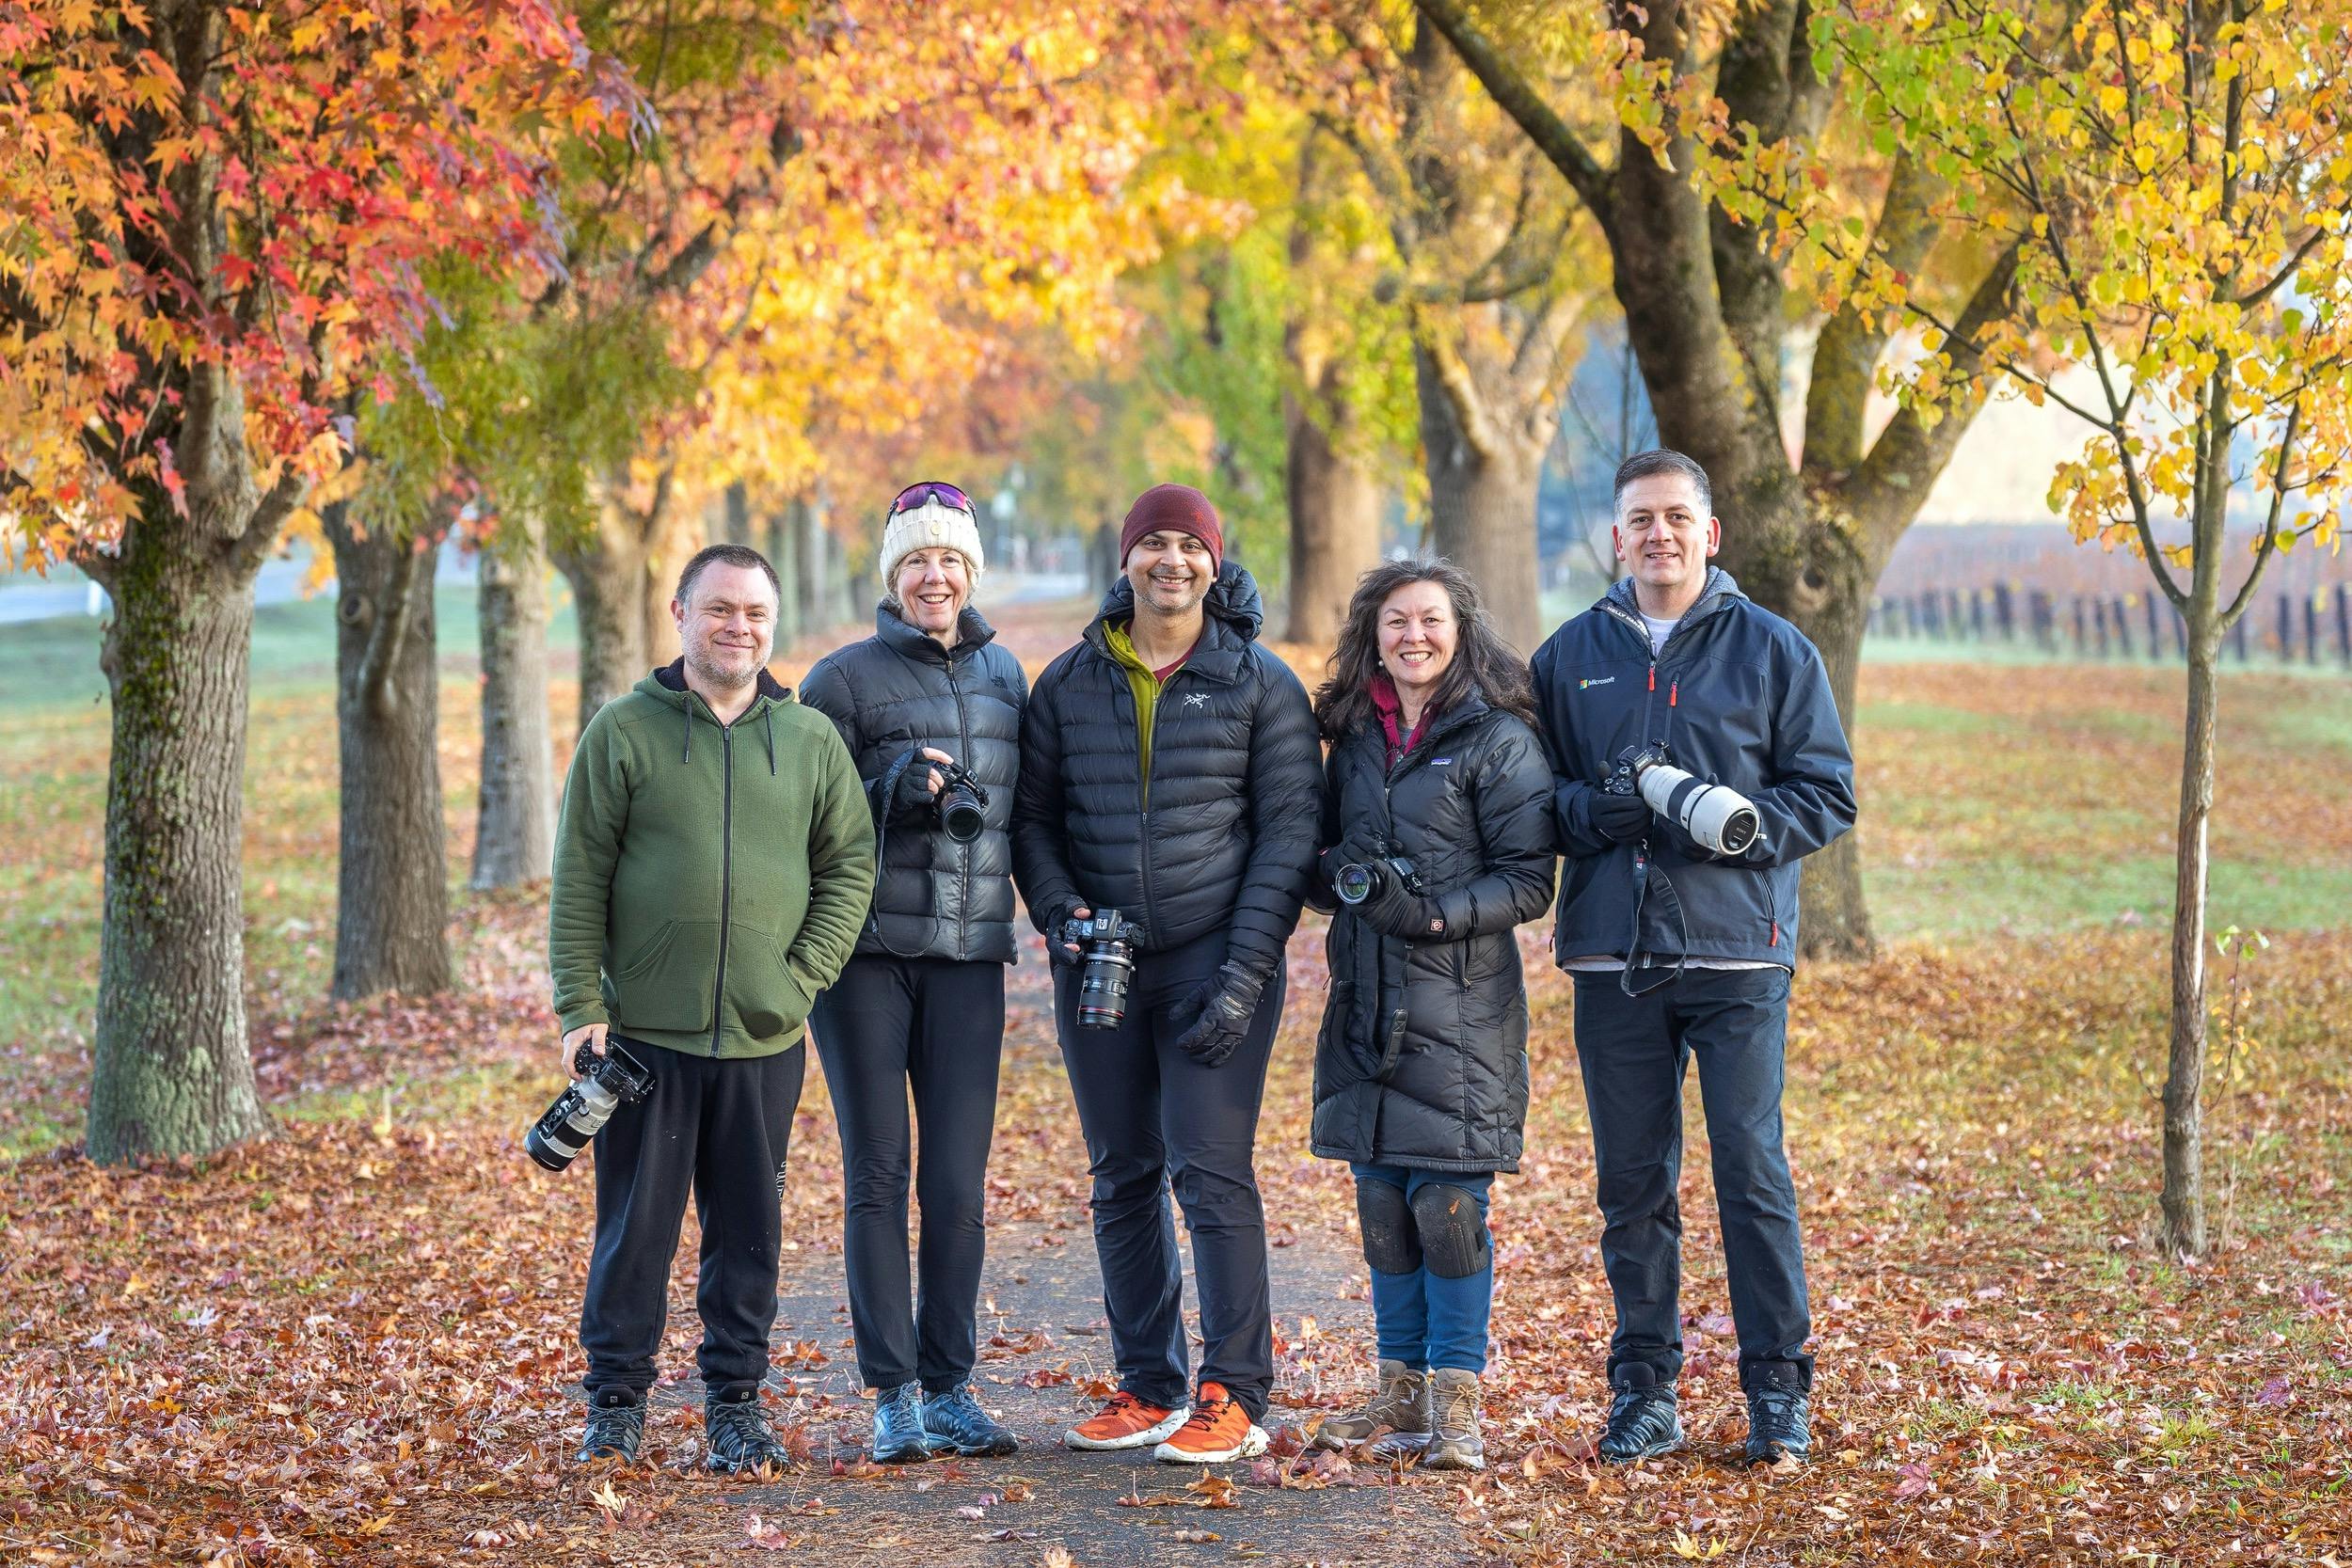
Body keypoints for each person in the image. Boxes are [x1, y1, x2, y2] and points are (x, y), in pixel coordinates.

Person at [1529, 450, 1857, 1467]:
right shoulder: (1566, 656)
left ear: (1710, 533)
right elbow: (1535, 802)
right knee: (1632, 1184)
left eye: (1677, 516)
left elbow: (1827, 792)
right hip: (1612, 955)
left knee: (1750, 1171)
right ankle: (1644, 1390)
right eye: (1639, 518)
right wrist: (1608, 807)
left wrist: (1740, 829)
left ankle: (1776, 1393)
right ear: (1615, 536)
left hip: (1737, 955)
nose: (1658, 533)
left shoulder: (1774, 650)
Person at [1011, 483, 1321, 1465]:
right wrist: (1060, 913)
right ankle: (1147, 1382)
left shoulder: (1261, 683)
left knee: (1209, 1168)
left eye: (1191, 545)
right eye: (1154, 544)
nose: (1172, 561)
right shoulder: (1066, 681)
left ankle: (1231, 1390)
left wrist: (1244, 971)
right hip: (1099, 961)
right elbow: (1034, 821)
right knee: (1120, 1173)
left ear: (1215, 563)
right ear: (1126, 559)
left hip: (1215, 957)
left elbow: (1288, 837)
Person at [549, 543, 876, 1471]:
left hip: (765, 1035)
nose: (739, 627)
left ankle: (735, 1401)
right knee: (633, 1231)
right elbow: (579, 880)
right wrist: (580, 1002)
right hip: (645, 1039)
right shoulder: (622, 732)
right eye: (721, 609)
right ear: (679, 613)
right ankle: (615, 1401)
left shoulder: (808, 738)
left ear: (773, 625)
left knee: (747, 1232)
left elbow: (849, 864)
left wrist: (800, 975)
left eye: (756, 614)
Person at [1305, 560, 1557, 1472]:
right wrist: (1329, 875)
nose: (1413, 635)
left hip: (1460, 1003)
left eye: (1431, 620)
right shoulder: (1355, 740)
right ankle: (1399, 1388)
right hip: (1365, 997)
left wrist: (1436, 912)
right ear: (1372, 634)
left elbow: (1531, 880)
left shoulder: (1497, 738)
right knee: (1381, 1203)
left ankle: (1458, 1403)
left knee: (1448, 1204)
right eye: (1395, 622)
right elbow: (1326, 852)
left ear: (1461, 629)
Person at [799, 482, 1027, 1464]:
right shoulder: (839, 681)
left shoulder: (1008, 676)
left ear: (969, 571)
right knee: (878, 1172)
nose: (933, 576)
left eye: (949, 560)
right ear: (892, 574)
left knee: (957, 1182)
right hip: (862, 959)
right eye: (915, 561)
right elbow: (800, 816)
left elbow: (1035, 810)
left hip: (970, 958)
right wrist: (886, 789)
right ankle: (891, 1392)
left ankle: (950, 1383)